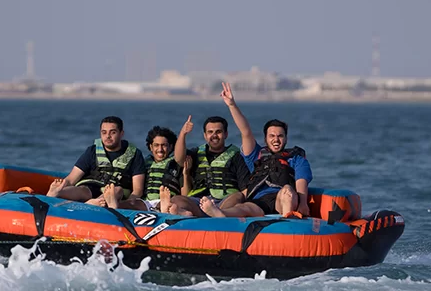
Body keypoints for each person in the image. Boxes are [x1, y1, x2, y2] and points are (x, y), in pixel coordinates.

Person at [199, 82, 312, 218]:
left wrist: (303, 204)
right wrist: (232, 105)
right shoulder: (256, 155)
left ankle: (286, 222)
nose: (276, 139)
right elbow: (245, 131)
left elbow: (301, 182)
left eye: (280, 136)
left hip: (282, 199)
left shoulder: (296, 158)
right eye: (272, 136)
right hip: (259, 200)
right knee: (244, 207)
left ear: (286, 139)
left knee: (287, 191)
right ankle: (220, 213)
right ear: (265, 139)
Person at [159, 114, 249, 216]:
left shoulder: (236, 156)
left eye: (218, 132)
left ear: (226, 134)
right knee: (177, 199)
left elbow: (244, 189)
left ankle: (217, 213)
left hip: (224, 202)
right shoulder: (196, 153)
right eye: (210, 132)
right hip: (198, 201)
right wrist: (183, 133)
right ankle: (184, 212)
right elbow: (179, 159)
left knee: (238, 196)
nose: (214, 135)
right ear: (205, 135)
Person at [47, 116, 146, 205]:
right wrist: (63, 185)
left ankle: (98, 202)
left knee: (116, 190)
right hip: (91, 187)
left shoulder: (135, 154)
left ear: (121, 134)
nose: (108, 136)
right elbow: (71, 179)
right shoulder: (92, 151)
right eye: (104, 132)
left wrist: (128, 205)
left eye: (113, 132)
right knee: (82, 189)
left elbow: (138, 190)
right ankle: (57, 192)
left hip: (116, 192)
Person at [102, 125, 192, 211]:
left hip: (167, 201)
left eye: (164, 145)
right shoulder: (144, 163)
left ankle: (164, 206)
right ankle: (114, 207)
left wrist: (186, 174)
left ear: (171, 147)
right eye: (156, 145)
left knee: (171, 204)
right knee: (130, 204)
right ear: (151, 147)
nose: (160, 149)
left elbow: (185, 194)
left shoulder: (175, 164)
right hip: (145, 203)